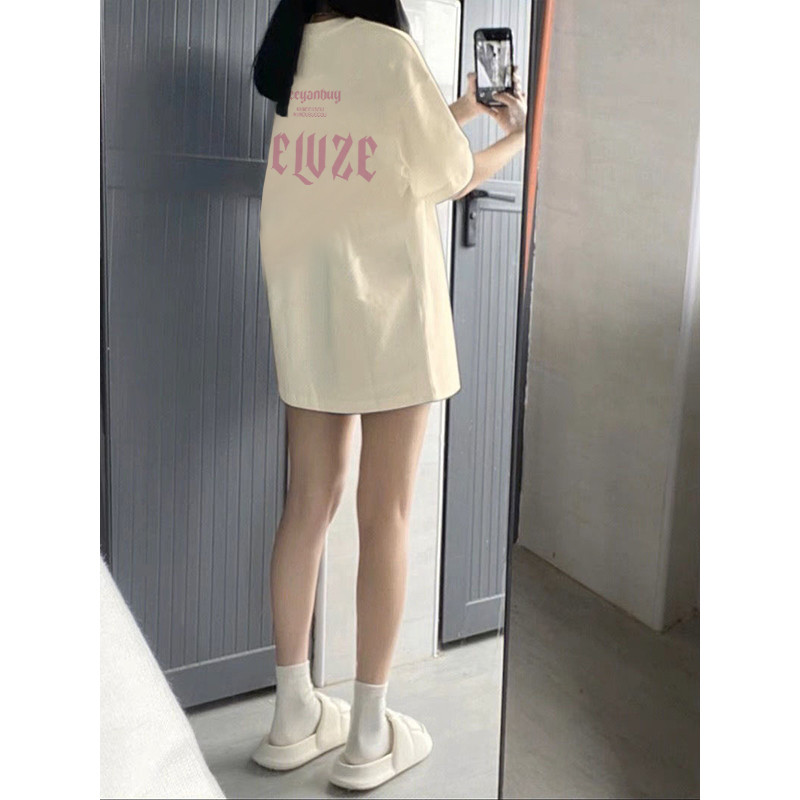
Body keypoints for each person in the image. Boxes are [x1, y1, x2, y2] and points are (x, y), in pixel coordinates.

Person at [249, 0, 527, 790]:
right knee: (387, 513)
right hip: (390, 309)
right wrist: (517, 135)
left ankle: (293, 713)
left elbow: (369, 147)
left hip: (310, 308)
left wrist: (464, 108)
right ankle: (369, 734)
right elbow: (452, 175)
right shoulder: (389, 50)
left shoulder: (292, 57)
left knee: (307, 505)